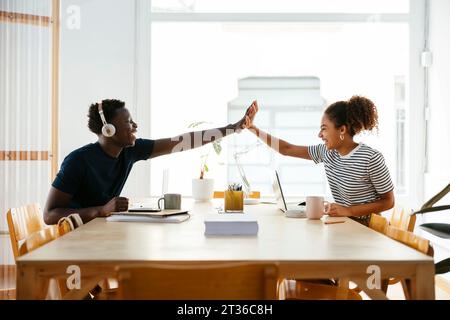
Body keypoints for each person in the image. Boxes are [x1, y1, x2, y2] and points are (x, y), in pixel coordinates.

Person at [44, 99, 257, 224]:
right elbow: (50, 215)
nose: (135, 126)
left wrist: (233, 128)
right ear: (108, 130)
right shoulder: (78, 161)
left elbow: (182, 142)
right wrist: (100, 210)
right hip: (74, 243)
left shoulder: (130, 151)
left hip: (97, 234)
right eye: (128, 122)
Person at [247, 96, 394, 225]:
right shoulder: (328, 153)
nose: (320, 134)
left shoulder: (371, 158)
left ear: (342, 130)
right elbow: (287, 149)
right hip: (344, 223)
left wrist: (349, 210)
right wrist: (252, 128)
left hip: (368, 228)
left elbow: (389, 201)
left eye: (324, 129)